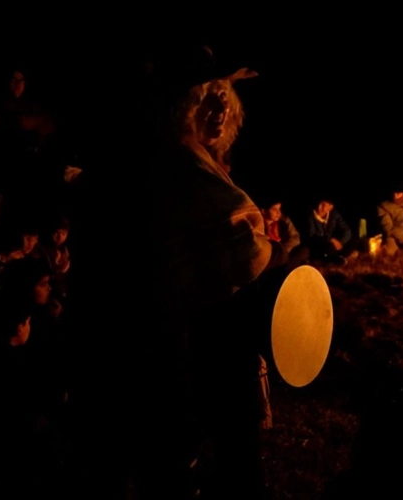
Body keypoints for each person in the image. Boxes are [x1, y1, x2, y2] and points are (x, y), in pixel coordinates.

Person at [66, 44, 292, 499]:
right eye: (205, 92)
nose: (221, 104)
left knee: (181, 460)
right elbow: (240, 250)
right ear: (176, 105)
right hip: (169, 348)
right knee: (179, 461)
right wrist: (277, 252)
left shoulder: (190, 160)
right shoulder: (173, 164)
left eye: (223, 90)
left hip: (186, 346)